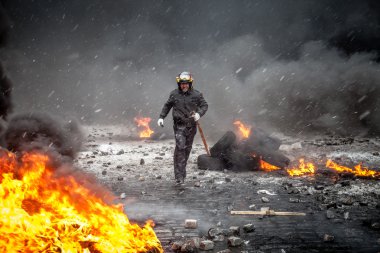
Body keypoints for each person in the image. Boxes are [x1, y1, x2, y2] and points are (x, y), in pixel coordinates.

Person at [158, 72, 208, 185]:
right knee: (180, 147)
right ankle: (180, 177)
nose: (184, 86)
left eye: (186, 84)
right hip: (179, 126)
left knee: (186, 149)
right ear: (179, 84)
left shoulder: (197, 95)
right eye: (182, 84)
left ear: (190, 84)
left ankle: (180, 172)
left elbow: (205, 105)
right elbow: (167, 106)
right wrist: (161, 117)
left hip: (191, 126)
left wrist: (199, 114)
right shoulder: (174, 94)